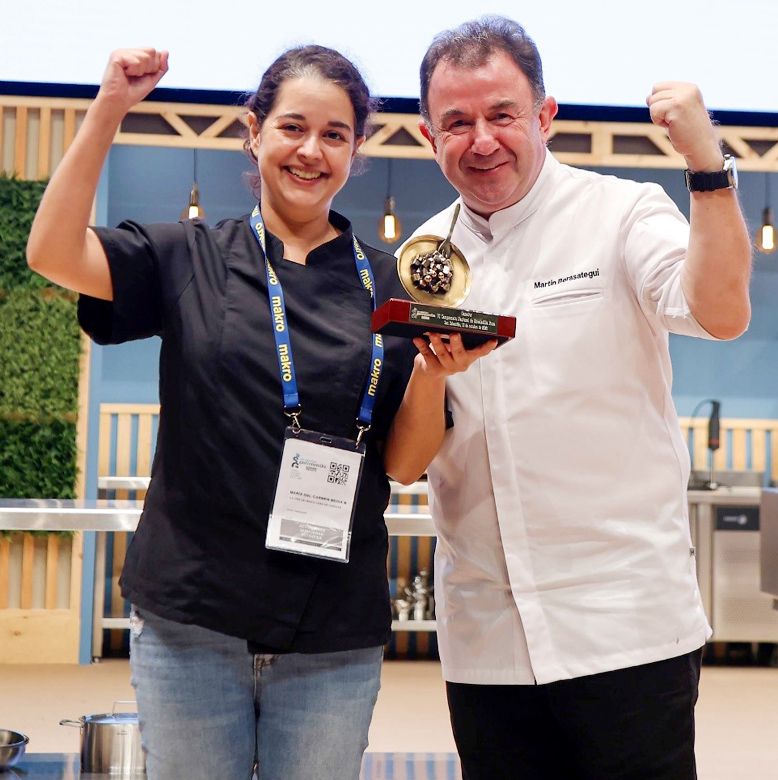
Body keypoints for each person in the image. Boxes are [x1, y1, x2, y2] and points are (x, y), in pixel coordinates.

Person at [26, 47, 488, 780]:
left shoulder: (394, 283)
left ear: (355, 150)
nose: (311, 151)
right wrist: (110, 104)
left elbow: (402, 465)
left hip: (332, 630)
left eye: (335, 135)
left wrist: (432, 373)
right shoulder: (189, 255)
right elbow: (52, 252)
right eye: (293, 128)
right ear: (254, 132)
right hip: (192, 623)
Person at [392, 15, 752, 780]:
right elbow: (414, 454)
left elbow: (720, 314)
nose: (481, 140)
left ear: (544, 116)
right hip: (486, 637)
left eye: (502, 115)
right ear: (430, 137)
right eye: (457, 122)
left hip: (624, 625)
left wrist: (706, 163)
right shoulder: (423, 258)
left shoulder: (622, 213)